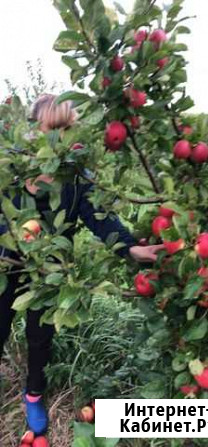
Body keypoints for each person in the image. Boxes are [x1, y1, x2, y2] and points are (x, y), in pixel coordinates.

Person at [0, 94, 164, 435]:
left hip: (51, 271)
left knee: (40, 335)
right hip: (5, 264)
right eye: (52, 129)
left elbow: (101, 219)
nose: (59, 138)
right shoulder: (11, 168)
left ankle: (33, 394)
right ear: (33, 130)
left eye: (66, 129)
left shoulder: (77, 177)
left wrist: (131, 249)